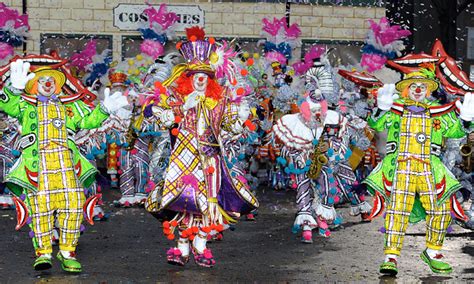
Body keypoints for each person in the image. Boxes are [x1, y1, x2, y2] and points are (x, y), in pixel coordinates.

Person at [144, 27, 258, 267]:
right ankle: (182, 246)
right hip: (183, 154)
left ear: (210, 78)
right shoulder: (177, 96)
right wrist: (184, 107)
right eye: (196, 73)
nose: (200, 78)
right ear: (189, 76)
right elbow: (160, 116)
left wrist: (241, 118)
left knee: (209, 202)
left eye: (205, 74)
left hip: (210, 156)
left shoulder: (219, 100)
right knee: (185, 201)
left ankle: (201, 244)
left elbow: (230, 127)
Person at [0, 59, 127, 272]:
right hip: (37, 166)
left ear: (58, 86)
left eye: (51, 80)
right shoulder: (25, 105)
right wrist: (14, 88)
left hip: (67, 164)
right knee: (39, 209)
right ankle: (44, 252)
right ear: (34, 85)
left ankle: (68, 251)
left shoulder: (70, 107)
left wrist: (105, 109)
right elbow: (6, 104)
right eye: (42, 80)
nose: (47, 83)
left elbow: (88, 121)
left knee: (73, 205)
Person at [363, 69, 474, 276]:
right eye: (413, 85)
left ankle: (432, 252)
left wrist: (466, 121)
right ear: (406, 89)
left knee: (440, 209)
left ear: (428, 90)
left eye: (422, 86)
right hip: (401, 165)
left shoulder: (438, 112)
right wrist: (380, 109)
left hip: (429, 167)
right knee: (397, 211)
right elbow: (375, 124)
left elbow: (456, 131)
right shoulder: (396, 110)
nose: (417, 89)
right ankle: (391, 257)